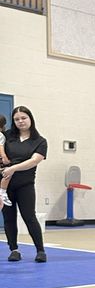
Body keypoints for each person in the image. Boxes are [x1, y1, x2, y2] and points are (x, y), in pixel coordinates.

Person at [2, 106, 48, 263]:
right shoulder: (7, 136)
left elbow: (34, 161)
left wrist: (13, 168)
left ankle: (40, 250)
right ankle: (14, 250)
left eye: (23, 118)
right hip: (5, 185)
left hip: (25, 185)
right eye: (16, 119)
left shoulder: (40, 141)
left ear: (30, 119)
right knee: (8, 218)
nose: (20, 121)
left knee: (30, 217)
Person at [0, 114, 10, 205]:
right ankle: (2, 192)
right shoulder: (1, 135)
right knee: (8, 173)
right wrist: (5, 158)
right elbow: (1, 148)